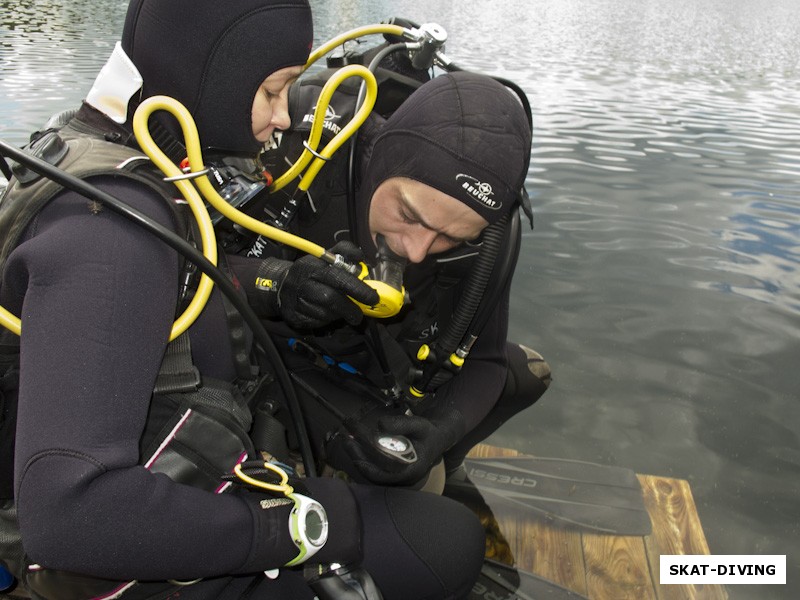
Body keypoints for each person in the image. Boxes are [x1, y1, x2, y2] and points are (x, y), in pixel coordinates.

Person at [0, 1, 487, 599]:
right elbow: (70, 518)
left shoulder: (97, 155)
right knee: (447, 544)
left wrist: (281, 282)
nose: (285, 117)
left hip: (179, 455)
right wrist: (298, 530)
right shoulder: (110, 233)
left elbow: (175, 278)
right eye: (273, 90)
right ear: (210, 73)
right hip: (122, 559)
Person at [223, 43, 553, 491]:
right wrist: (279, 286)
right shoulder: (308, 157)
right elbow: (182, 264)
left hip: (386, 368)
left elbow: (488, 360)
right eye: (410, 216)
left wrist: (441, 432)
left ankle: (443, 466)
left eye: (450, 238)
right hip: (276, 351)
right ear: (383, 162)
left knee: (526, 374)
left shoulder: (489, 235)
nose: (417, 251)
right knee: (424, 501)